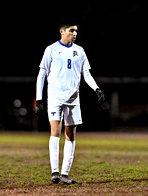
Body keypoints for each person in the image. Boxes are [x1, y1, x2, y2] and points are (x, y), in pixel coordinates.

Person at [35, 18, 105, 184]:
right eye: (71, 31)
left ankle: (65, 174)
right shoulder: (51, 49)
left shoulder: (79, 51)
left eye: (76, 31)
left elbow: (86, 74)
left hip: (73, 98)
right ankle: (54, 172)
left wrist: (97, 88)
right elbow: (41, 75)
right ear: (62, 31)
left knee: (70, 134)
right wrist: (39, 99)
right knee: (55, 131)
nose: (74, 34)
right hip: (55, 96)